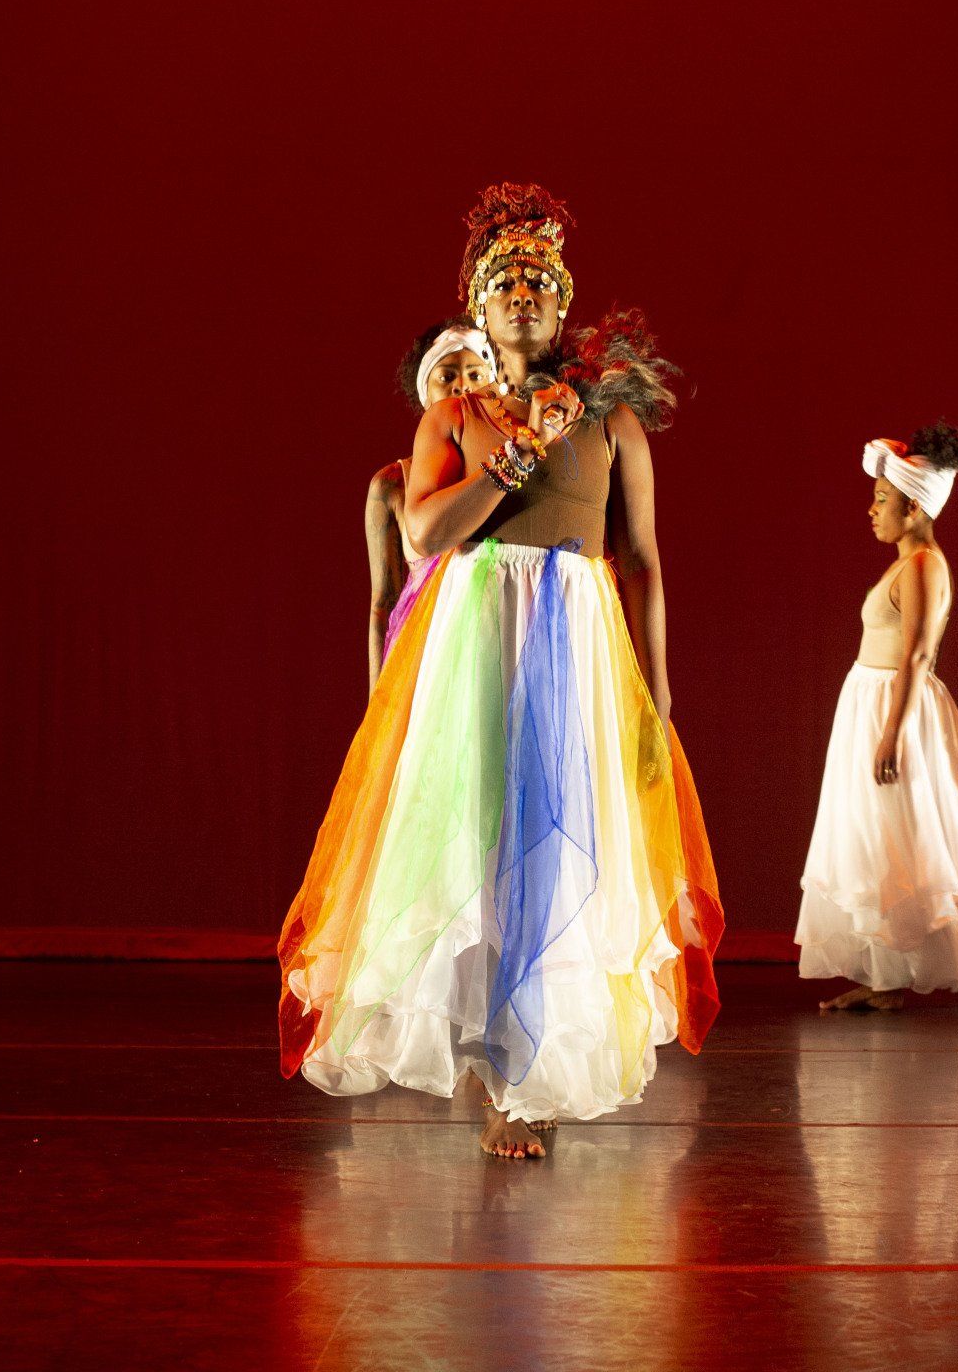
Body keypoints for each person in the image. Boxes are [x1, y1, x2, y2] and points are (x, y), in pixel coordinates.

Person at [280, 184, 723, 1158]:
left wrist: (657, 690)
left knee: (562, 844)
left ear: (561, 306)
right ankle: (491, 1071)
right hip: (478, 632)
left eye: (538, 278)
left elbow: (641, 559)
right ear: (477, 307)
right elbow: (427, 529)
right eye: (502, 278)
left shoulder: (610, 421)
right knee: (479, 843)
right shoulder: (456, 413)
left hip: (578, 636)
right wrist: (513, 460)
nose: (521, 289)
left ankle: (534, 1068)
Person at [797, 426, 958, 1009]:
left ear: (913, 508)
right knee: (885, 840)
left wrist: (893, 731)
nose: (872, 510)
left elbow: (917, 652)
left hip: (896, 708)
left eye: (882, 502)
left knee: (932, 836)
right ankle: (887, 977)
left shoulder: (924, 566)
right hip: (874, 702)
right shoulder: (904, 563)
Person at [365, 322, 494, 692]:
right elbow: (383, 603)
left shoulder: (508, 474)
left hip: (491, 653)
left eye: (475, 373)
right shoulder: (392, 484)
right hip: (423, 666)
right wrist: (378, 700)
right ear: (425, 392)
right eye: (447, 376)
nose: (462, 386)